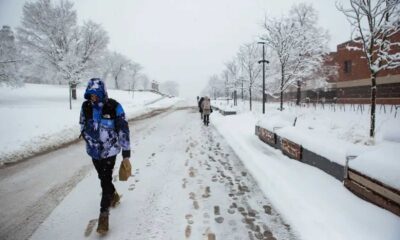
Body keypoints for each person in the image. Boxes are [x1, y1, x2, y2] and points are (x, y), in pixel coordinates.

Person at [79, 78, 131, 235]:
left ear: (102, 92)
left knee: (105, 179)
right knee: (103, 178)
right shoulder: (86, 106)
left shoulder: (114, 106)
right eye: (90, 94)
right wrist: (86, 135)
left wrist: (126, 153)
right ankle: (113, 195)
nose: (93, 97)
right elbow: (82, 123)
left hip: (110, 151)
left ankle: (103, 216)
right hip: (93, 151)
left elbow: (123, 129)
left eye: (96, 94)